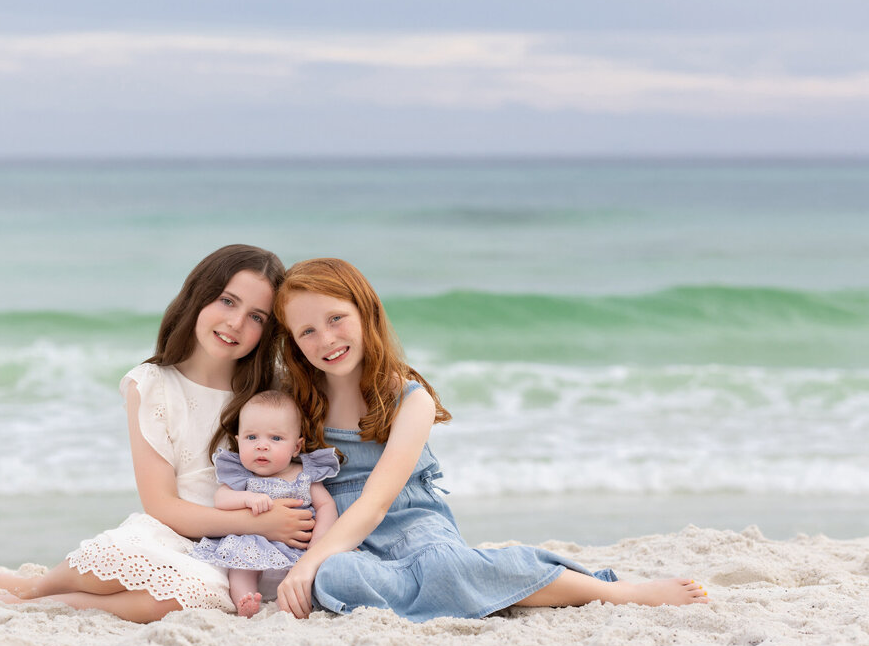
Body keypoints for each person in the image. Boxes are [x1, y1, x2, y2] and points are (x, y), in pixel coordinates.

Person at [271, 258, 710, 622]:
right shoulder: (295, 404)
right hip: (338, 535)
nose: (325, 339)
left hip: (412, 523)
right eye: (307, 331)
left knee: (443, 568)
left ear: (365, 312)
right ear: (293, 342)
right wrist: (310, 558)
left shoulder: (409, 398)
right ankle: (454, 595)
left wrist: (307, 565)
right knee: (335, 578)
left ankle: (618, 593)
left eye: (336, 319)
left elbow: (377, 503)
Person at [0, 245, 316, 623]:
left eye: (257, 317)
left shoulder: (269, 396)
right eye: (227, 301)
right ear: (199, 296)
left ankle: (26, 599)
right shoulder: (152, 384)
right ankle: (30, 590)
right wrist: (258, 524)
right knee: (117, 557)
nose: (236, 323)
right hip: (171, 532)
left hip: (227, 557)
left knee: (186, 597)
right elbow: (161, 505)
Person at [189, 390, 339, 617]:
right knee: (240, 570)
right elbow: (221, 499)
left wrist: (319, 540)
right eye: (251, 438)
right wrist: (248, 498)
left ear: (296, 447)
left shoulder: (304, 475)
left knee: (312, 576)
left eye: (275, 438)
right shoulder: (244, 477)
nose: (262, 446)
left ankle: (287, 602)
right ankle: (245, 601)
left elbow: (326, 505)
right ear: (238, 442)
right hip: (253, 548)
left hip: (296, 553)